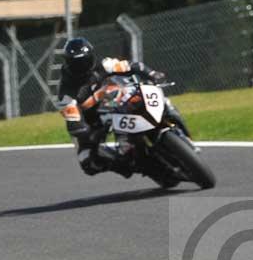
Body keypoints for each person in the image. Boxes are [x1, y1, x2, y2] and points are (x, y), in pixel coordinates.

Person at [58, 37, 191, 176]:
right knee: (87, 162)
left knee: (163, 101)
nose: (82, 66)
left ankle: (182, 132)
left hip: (122, 100)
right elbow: (72, 117)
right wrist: (80, 128)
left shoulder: (104, 64)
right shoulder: (66, 91)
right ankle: (131, 164)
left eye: (84, 61)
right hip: (96, 122)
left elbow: (132, 65)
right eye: (76, 64)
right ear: (68, 63)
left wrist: (152, 74)